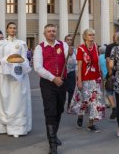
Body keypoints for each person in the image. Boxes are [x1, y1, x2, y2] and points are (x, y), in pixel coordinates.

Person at [0, 22, 32, 137]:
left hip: (18, 75)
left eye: (14, 28)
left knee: (17, 100)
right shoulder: (1, 44)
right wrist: (9, 60)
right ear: (7, 30)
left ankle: (17, 127)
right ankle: (0, 126)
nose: (13, 30)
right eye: (10, 28)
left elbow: (24, 59)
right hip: (3, 74)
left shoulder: (21, 43)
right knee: (2, 100)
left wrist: (19, 61)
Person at [33, 24, 69, 154]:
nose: (52, 33)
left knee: (59, 109)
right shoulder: (39, 48)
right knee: (50, 111)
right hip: (48, 83)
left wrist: (71, 56)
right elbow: (38, 67)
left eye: (54, 31)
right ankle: (52, 143)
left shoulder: (63, 45)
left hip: (62, 83)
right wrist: (53, 78)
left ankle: (54, 134)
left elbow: (71, 63)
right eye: (49, 31)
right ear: (44, 34)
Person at [70, 28, 105, 133]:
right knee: (84, 101)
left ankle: (91, 124)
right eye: (90, 35)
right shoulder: (80, 49)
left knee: (95, 101)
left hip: (95, 79)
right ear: (84, 37)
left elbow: (97, 62)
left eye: (93, 35)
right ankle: (80, 116)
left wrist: (101, 77)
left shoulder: (95, 46)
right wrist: (79, 81)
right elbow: (79, 66)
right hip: (84, 79)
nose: (92, 37)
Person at [99, 45, 114, 112]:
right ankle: (111, 102)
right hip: (109, 73)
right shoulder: (108, 57)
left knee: (106, 89)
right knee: (110, 88)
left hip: (103, 74)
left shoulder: (99, 57)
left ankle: (107, 102)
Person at [64, 34, 76, 114]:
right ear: (65, 41)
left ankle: (69, 106)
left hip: (71, 72)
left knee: (71, 91)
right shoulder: (61, 49)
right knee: (62, 91)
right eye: (67, 39)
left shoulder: (75, 50)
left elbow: (77, 62)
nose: (69, 41)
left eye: (70, 39)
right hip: (63, 72)